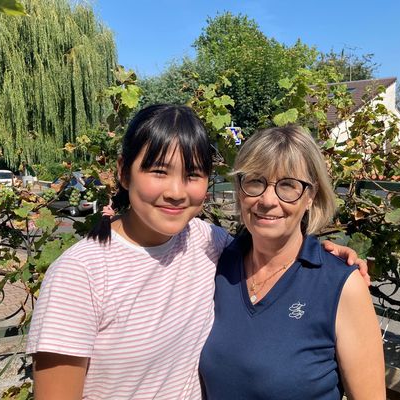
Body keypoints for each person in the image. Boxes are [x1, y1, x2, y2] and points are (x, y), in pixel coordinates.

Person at [26, 105, 367, 399]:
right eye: (159, 171)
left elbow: (277, 251)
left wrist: (327, 258)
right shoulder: (80, 274)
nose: (175, 192)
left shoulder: (208, 244)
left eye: (192, 175)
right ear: (124, 172)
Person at [199, 125, 385, 399]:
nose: (267, 200)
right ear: (239, 189)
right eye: (254, 181)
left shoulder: (340, 285)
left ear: (311, 195)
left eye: (287, 185)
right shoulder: (218, 262)